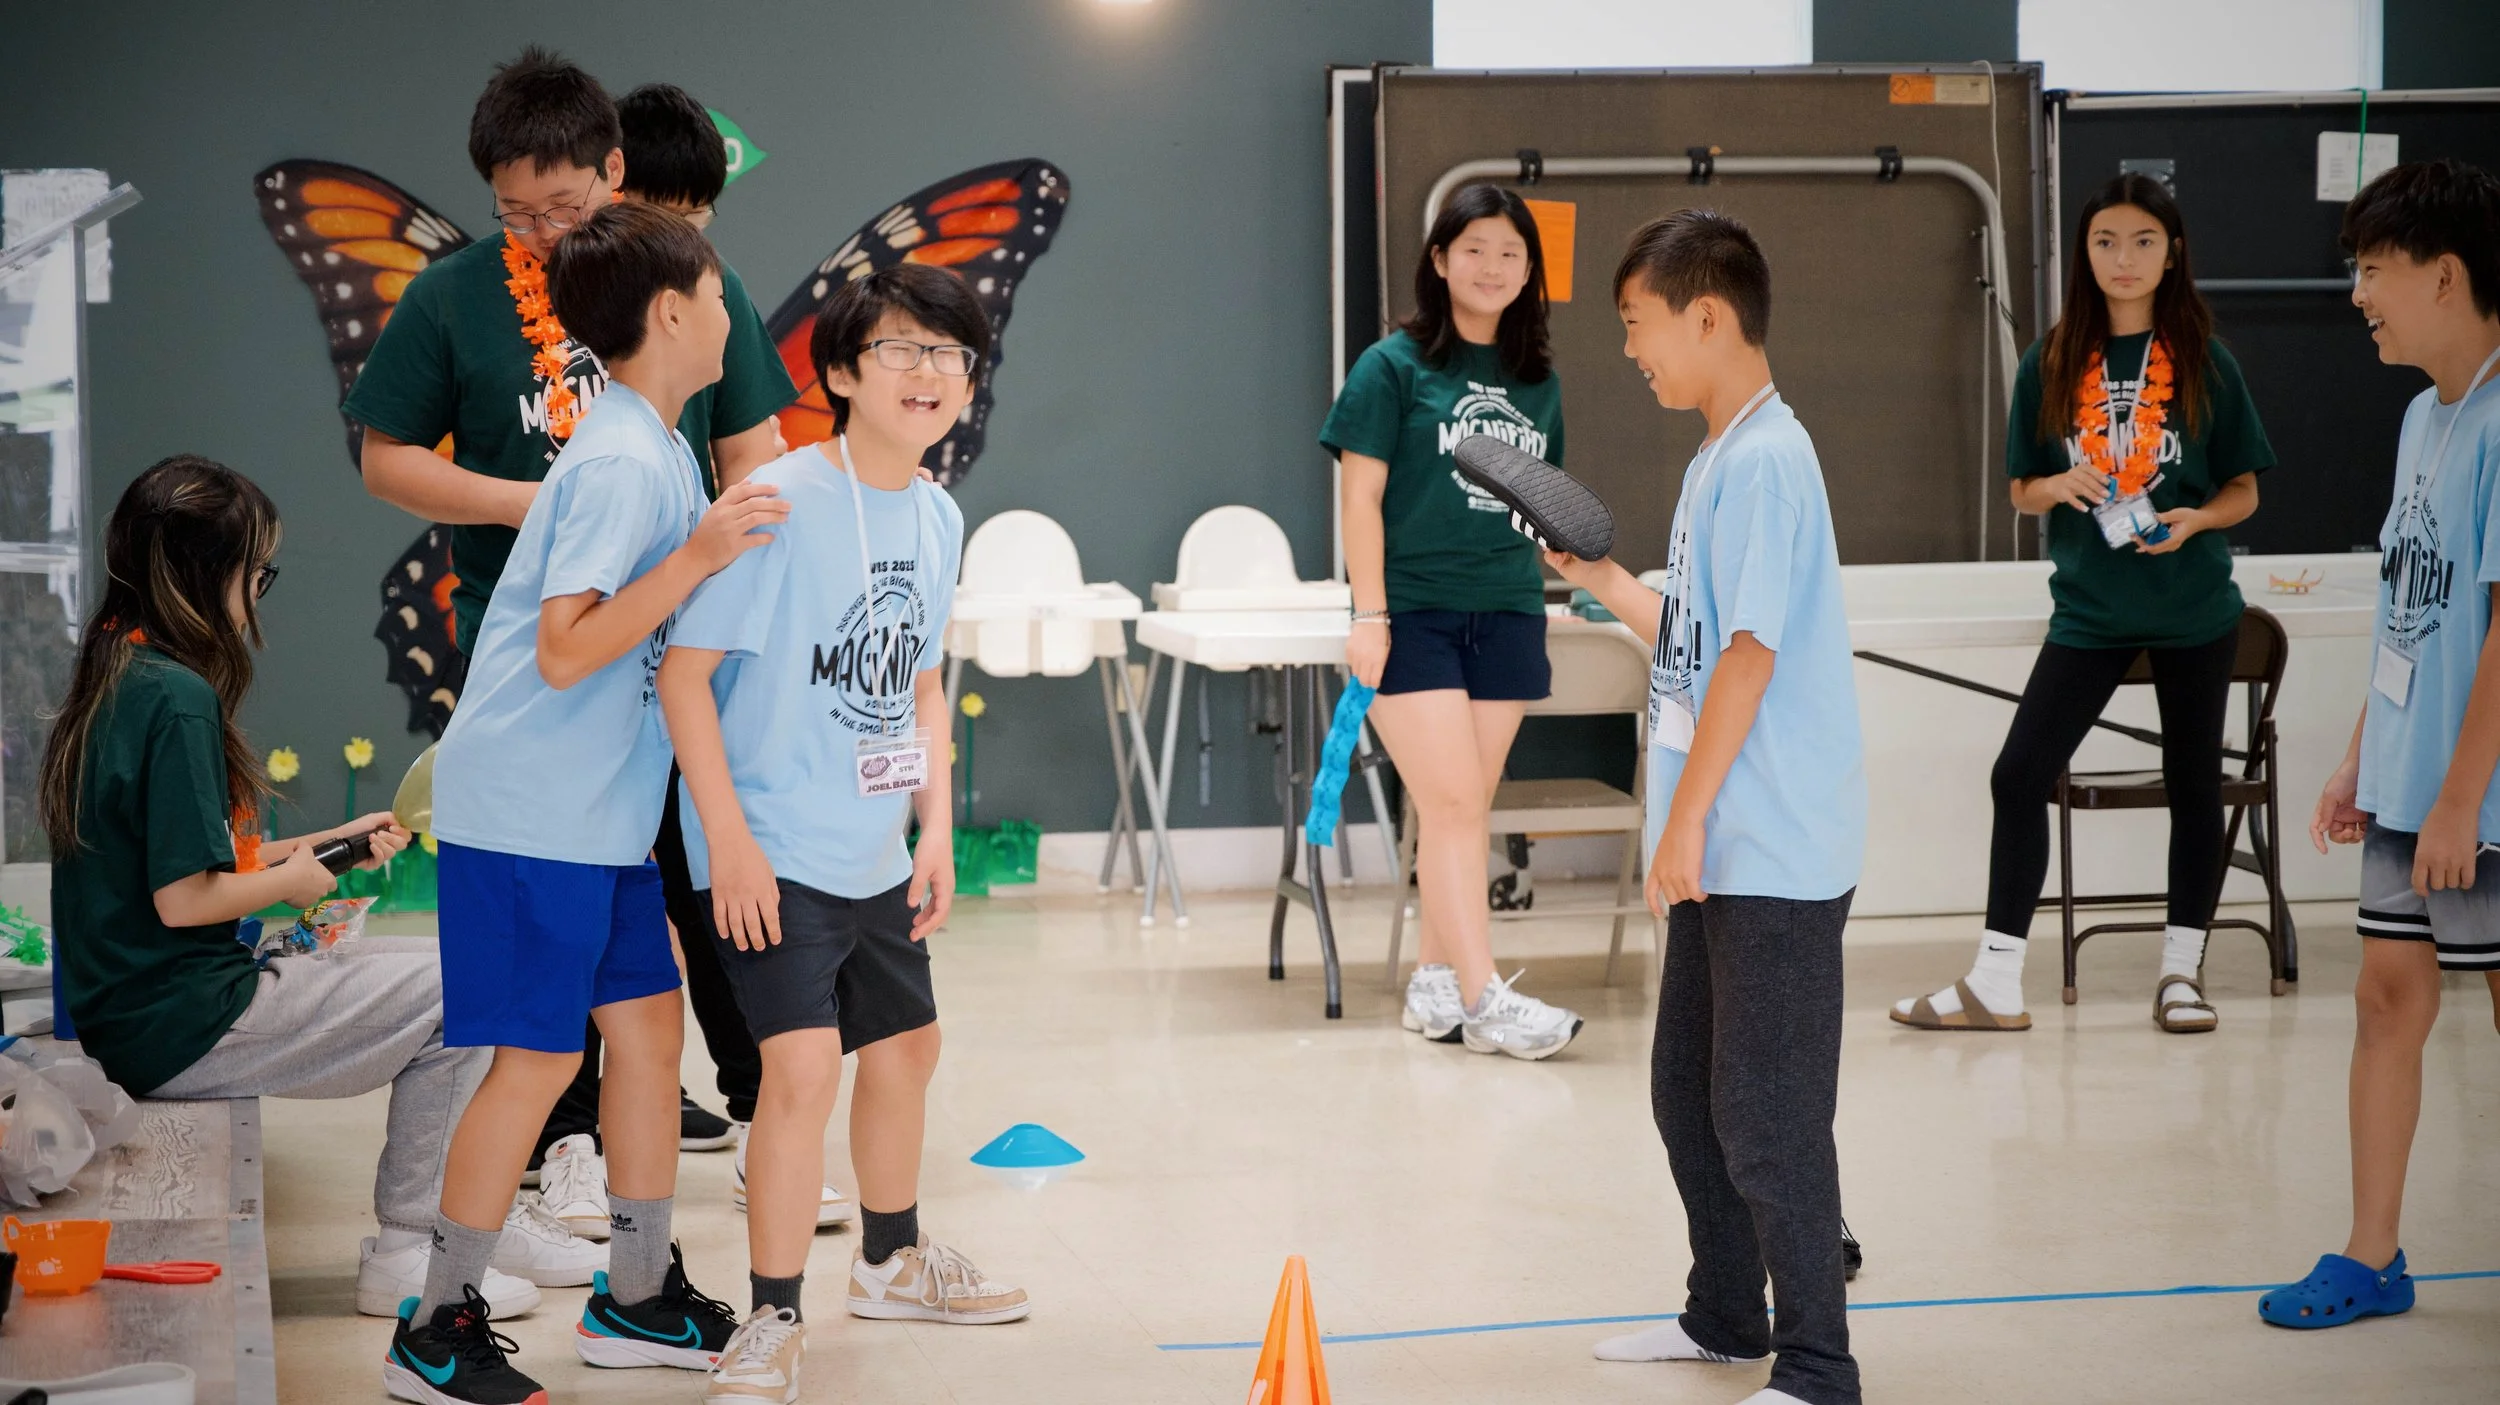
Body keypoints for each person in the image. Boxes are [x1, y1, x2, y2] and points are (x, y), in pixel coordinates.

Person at [342, 46, 795, 1200]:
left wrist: (730, 586)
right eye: (516, 213)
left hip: (671, 653)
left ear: (614, 171)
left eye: (566, 204)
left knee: (684, 907)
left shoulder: (687, 285)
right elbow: (386, 459)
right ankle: (555, 1163)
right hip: (542, 677)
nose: (543, 232)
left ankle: (749, 1131)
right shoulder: (457, 300)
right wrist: (540, 509)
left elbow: (754, 453)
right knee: (552, 978)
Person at [383, 202, 787, 1405]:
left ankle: (638, 1291)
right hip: (530, 809)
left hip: (597, 814)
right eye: (714, 294)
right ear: (670, 313)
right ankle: (436, 1322)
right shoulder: (617, 459)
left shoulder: (655, 442)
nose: (729, 313)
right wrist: (700, 554)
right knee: (537, 1056)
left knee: (651, 1032)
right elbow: (566, 649)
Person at [39, 456, 573, 1326]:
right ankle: (416, 1241)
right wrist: (292, 880)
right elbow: (185, 901)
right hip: (181, 1021)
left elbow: (202, 865)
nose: (260, 593)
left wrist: (330, 847)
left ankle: (470, 1208)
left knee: (456, 970)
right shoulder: (176, 697)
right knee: (471, 987)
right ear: (209, 573)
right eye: (259, 573)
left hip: (144, 1011)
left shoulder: (120, 669)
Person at [660, 262, 1028, 1403]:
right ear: (840, 372)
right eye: (901, 349)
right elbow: (682, 677)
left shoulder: (939, 512)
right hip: (768, 843)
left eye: (951, 354)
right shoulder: (776, 502)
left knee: (907, 1047)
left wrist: (936, 830)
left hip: (874, 842)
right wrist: (727, 840)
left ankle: (891, 1259)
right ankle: (771, 1316)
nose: (930, 372)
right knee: (803, 1067)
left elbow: (921, 681)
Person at [1553, 210, 1865, 1405]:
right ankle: (1726, 1316)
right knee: (1688, 1092)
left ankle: (1819, 1367)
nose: (1631, 349)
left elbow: (1748, 657)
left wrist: (1682, 818)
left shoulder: (1769, 460)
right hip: (1723, 843)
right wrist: (1601, 580)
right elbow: (1692, 634)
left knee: (1768, 1116)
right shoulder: (1715, 460)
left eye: (1637, 324)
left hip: (1770, 842)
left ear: (1706, 316)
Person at [1890, 172, 2273, 1036]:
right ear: (2084, 252)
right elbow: (2021, 487)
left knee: (2194, 785)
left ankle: (2181, 974)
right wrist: (2057, 484)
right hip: (2091, 612)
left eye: (2143, 241)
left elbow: (2245, 487)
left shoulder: (2207, 361)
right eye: (2105, 241)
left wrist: (2197, 518)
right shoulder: (2052, 360)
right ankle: (1996, 981)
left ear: (2172, 253)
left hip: (2193, 610)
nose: (2123, 258)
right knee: (2019, 773)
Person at [2261, 158, 2500, 1331]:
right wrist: (2369, 754)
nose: (2356, 295)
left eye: (2371, 270)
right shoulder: (2419, 418)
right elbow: (2411, 607)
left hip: (2480, 797)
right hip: (2413, 783)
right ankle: (2371, 1255)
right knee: (2384, 1000)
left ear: (2444, 275)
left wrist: (2458, 797)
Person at [1321, 181, 1581, 1059]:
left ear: (1529, 271)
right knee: (1456, 802)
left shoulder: (1538, 381)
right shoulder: (1390, 367)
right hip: (1414, 613)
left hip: (1507, 609)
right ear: (1439, 260)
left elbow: (1539, 504)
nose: (1493, 267)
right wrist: (1369, 613)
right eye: (1475, 249)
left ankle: (1434, 981)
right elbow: (1360, 497)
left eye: (1511, 253)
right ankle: (1484, 995)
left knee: (1458, 811)